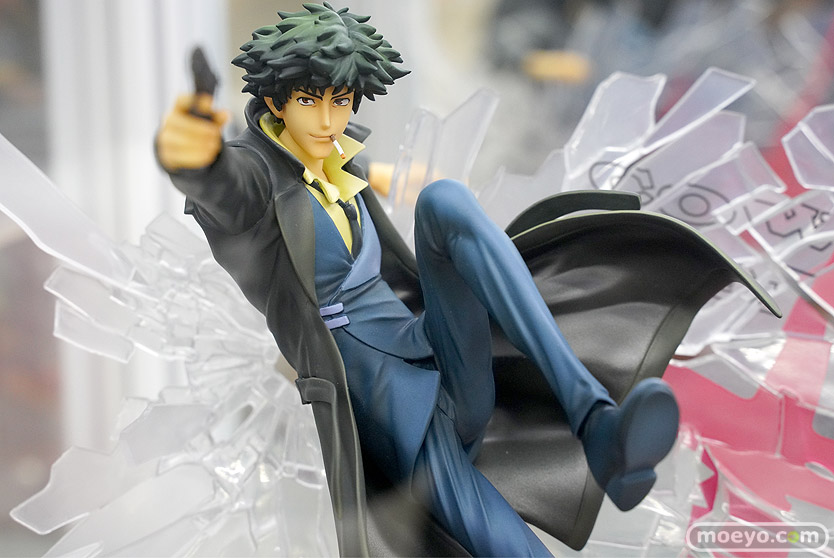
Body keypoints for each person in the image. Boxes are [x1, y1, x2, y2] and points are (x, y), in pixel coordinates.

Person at [156, 3, 679, 556]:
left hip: (435, 348)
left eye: (341, 101)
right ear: (275, 100)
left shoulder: (335, 160)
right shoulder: (255, 184)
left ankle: (594, 420)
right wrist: (192, 155)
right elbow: (223, 186)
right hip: (390, 401)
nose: (328, 121)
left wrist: (386, 177)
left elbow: (344, 182)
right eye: (309, 101)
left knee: (443, 198)